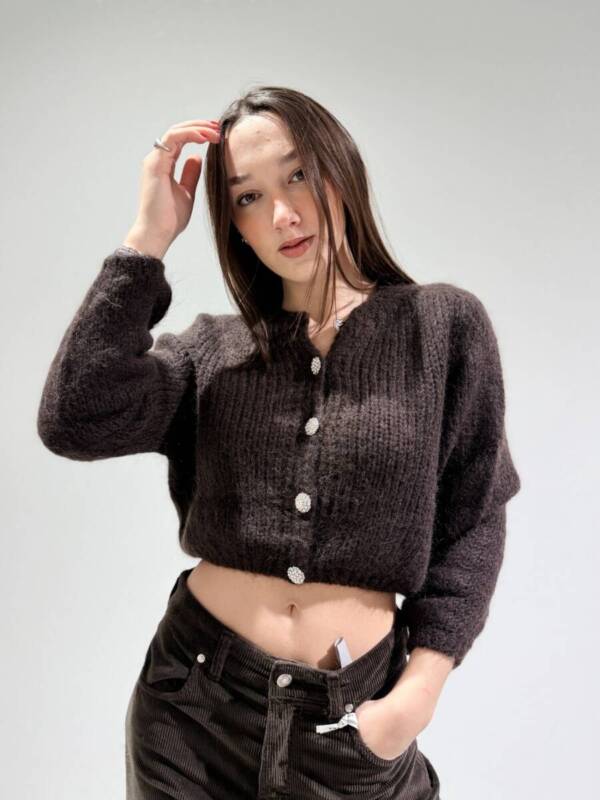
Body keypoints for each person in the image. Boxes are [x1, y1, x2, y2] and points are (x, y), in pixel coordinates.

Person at [37, 86, 521, 799]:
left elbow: (473, 519)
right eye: (248, 197)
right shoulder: (212, 351)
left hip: (353, 722)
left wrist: (417, 695)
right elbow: (74, 416)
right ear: (233, 225)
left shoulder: (441, 327)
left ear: (340, 168)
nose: (282, 215)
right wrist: (147, 239)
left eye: (298, 175)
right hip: (191, 712)